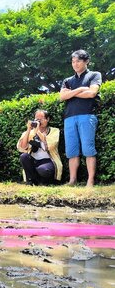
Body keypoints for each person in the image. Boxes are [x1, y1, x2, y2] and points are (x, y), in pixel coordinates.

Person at [59, 49, 101, 187]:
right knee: (72, 151)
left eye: (78, 61)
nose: (75, 64)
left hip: (87, 115)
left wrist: (71, 93)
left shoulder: (94, 75)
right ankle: (72, 180)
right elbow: (62, 97)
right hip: (69, 117)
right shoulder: (67, 80)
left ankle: (90, 180)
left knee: (88, 149)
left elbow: (92, 93)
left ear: (86, 61)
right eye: (73, 61)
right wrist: (81, 89)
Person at [17, 110, 62, 185]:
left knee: (43, 170)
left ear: (47, 119)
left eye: (41, 119)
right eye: (36, 119)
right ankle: (31, 181)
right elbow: (23, 147)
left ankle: (45, 181)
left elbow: (50, 145)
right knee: (24, 156)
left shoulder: (54, 131)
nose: (38, 121)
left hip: (49, 160)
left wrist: (37, 131)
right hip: (34, 160)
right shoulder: (30, 132)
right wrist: (28, 129)